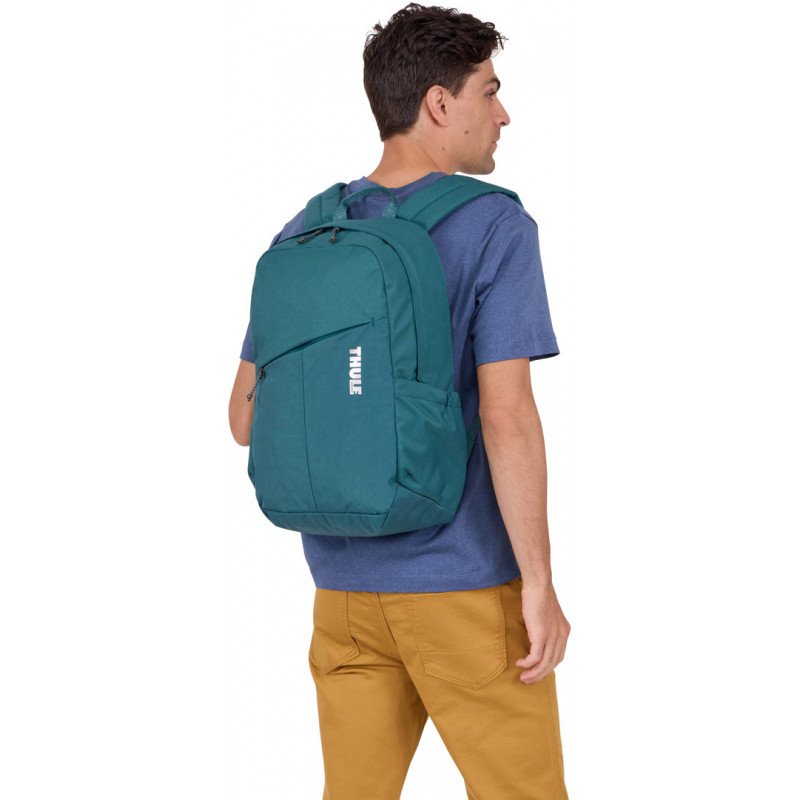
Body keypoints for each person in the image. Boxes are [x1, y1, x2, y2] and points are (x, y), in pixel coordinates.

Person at [228, 4, 570, 798]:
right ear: (439, 104)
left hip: (341, 593)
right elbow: (507, 415)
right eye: (490, 91)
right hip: (462, 587)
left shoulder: (304, 233)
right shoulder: (494, 225)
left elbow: (244, 418)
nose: (503, 114)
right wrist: (540, 585)